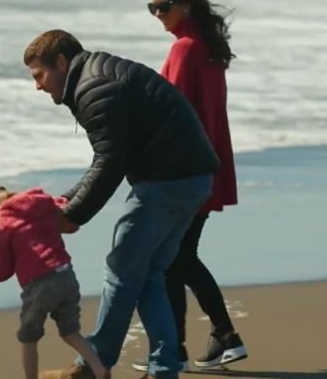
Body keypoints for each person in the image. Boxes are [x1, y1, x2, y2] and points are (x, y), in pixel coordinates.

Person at [23, 30, 219, 379]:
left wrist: (73, 214)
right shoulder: (97, 76)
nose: (37, 86)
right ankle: (164, 368)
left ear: (62, 62)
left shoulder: (94, 86)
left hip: (168, 182)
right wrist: (66, 200)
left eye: (39, 75)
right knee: (147, 275)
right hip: (193, 178)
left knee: (120, 269)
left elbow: (111, 160)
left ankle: (93, 365)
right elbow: (108, 156)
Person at [131, 0, 247, 374]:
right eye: (152, 7)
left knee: (172, 259)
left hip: (186, 171)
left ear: (187, 5)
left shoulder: (185, 49)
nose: (157, 14)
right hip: (208, 165)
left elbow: (172, 116)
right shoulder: (208, 47)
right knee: (178, 258)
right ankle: (195, 343)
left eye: (163, 6)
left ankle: (190, 345)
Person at [0, 186, 110, 379]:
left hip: (39, 284)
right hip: (66, 274)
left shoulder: (5, 225)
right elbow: (70, 219)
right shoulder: (43, 205)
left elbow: (0, 271)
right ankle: (99, 369)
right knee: (70, 332)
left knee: (29, 336)